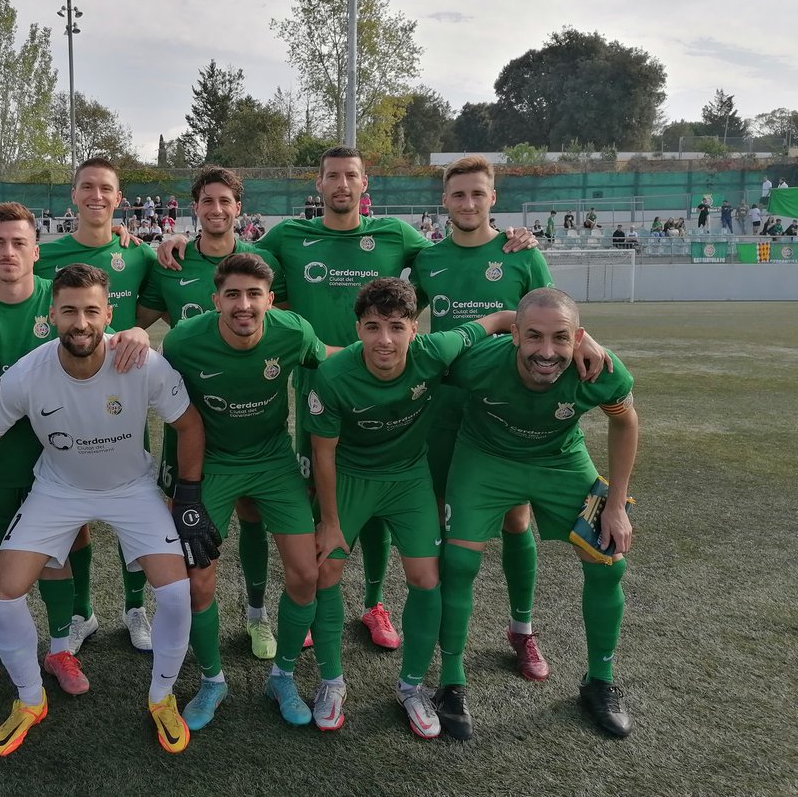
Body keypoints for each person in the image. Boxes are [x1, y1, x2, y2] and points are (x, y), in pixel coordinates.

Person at [158, 147, 540, 651]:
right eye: (332, 176)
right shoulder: (288, 237)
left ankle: (375, 604)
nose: (342, 184)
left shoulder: (398, 236)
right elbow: (233, 256)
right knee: (322, 495)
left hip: (392, 389)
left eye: (351, 176)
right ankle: (311, 605)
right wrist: (179, 236)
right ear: (317, 186)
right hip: (317, 391)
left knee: (386, 496)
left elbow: (456, 252)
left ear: (365, 187)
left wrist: (508, 236)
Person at [0, 263, 209, 756]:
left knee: (175, 594)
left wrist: (187, 498)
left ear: (109, 313)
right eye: (68, 311)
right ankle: (29, 699)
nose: (80, 322)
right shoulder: (28, 372)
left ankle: (161, 697)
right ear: (52, 315)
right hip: (58, 489)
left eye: (90, 310)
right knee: (4, 594)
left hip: (132, 489)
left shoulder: (141, 361)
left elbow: (189, 425)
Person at [0, 203, 149, 713]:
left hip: (58, 462)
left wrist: (134, 332)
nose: (8, 252)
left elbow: (108, 336)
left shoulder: (60, 300)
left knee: (56, 558)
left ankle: (62, 651)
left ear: (36, 250)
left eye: (19, 243)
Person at [410, 154, 606, 688]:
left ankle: (522, 629)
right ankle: (432, 628)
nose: (468, 203)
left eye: (478, 193)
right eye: (457, 195)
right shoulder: (428, 258)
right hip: (448, 406)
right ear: (444, 202)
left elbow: (558, 317)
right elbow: (408, 315)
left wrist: (590, 344)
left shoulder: (522, 254)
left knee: (517, 518)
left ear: (493, 198)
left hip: (512, 409)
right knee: (440, 520)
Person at [306, 279, 513, 736]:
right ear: (357, 328)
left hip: (408, 477)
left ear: (414, 329)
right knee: (326, 572)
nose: (385, 339)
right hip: (351, 478)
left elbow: (498, 320)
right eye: (373, 327)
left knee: (427, 577)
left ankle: (413, 686)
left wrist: (580, 338)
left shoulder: (435, 351)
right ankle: (331, 682)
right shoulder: (334, 375)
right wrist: (330, 522)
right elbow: (323, 453)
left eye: (397, 327)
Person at [433, 288, 639, 741]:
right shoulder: (478, 361)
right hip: (484, 459)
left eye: (561, 338)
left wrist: (618, 504)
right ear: (514, 337)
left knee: (608, 560)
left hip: (560, 460)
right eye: (534, 338)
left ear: (579, 338)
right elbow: (424, 372)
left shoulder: (598, 368)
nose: (547, 352)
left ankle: (599, 683)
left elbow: (625, 420)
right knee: (459, 561)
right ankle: (451, 683)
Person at [162, 253, 331, 730]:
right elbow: (157, 401)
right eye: (232, 295)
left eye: (254, 295)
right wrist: (172, 483)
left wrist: (401, 351)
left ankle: (283, 676)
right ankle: (212, 681)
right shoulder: (181, 342)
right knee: (197, 581)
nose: (244, 305)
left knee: (304, 574)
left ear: (269, 300)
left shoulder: (293, 331)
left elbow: (333, 360)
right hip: (211, 464)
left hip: (273, 462)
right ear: (215, 300)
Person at [137, 167, 286, 659]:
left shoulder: (265, 261)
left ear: (239, 209)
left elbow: (280, 325)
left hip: (254, 426)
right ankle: (168, 617)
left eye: (226, 201)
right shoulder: (170, 263)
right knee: (186, 529)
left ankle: (257, 616)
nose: (217, 209)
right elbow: (131, 320)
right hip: (190, 431)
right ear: (194, 207)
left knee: (254, 516)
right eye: (207, 201)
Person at [33, 158, 160, 653]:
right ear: (74, 195)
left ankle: (135, 610)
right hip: (62, 395)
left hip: (124, 401)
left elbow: (153, 308)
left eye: (106, 188)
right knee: (74, 513)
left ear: (119, 197)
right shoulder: (45, 256)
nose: (97, 196)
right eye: (87, 186)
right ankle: (83, 612)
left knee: (134, 504)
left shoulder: (142, 255)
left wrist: (135, 329)